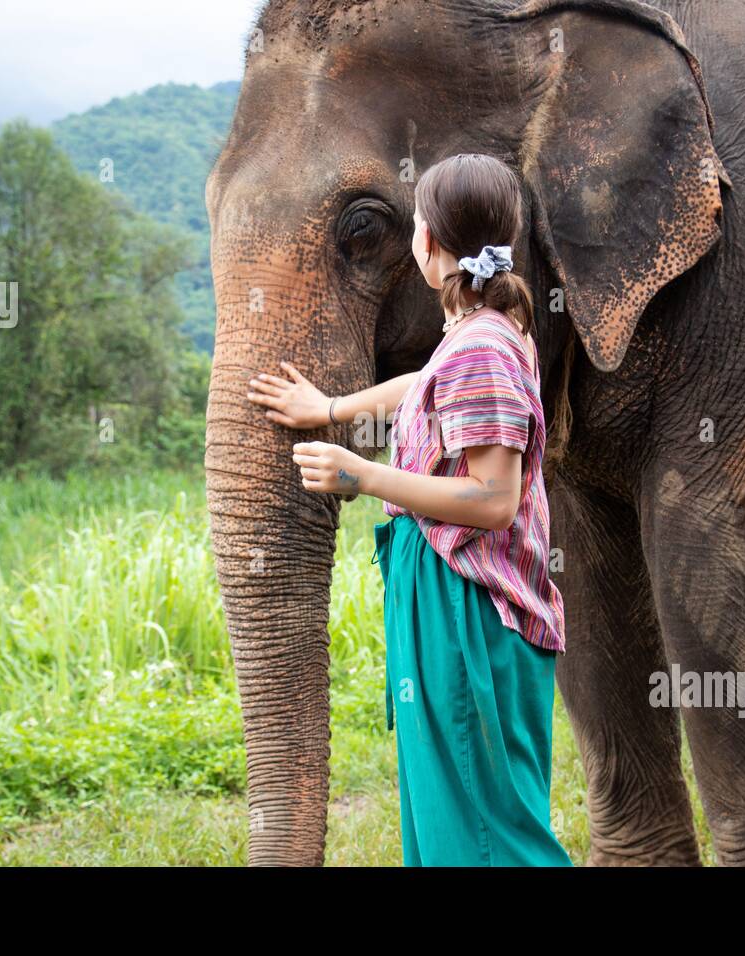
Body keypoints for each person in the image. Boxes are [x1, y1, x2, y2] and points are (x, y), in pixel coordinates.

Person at [245, 153, 571, 866]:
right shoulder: (487, 331)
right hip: (452, 601)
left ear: (427, 243)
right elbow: (424, 384)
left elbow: (493, 500)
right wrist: (331, 407)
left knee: (487, 839)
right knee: (456, 823)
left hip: (468, 610)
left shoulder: (483, 345)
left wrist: (364, 476)